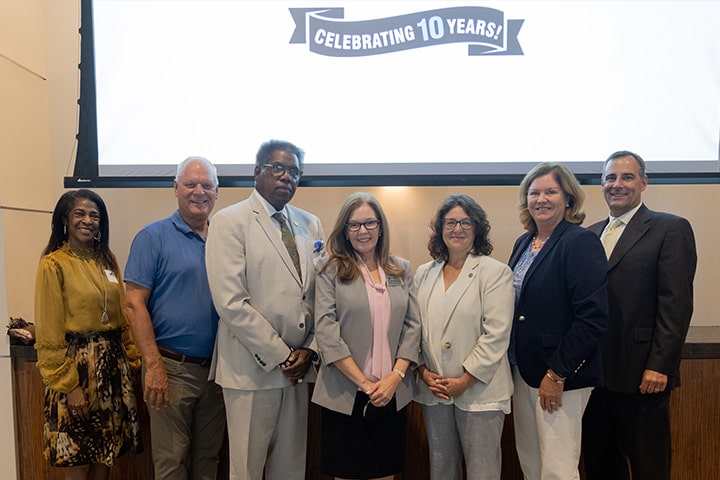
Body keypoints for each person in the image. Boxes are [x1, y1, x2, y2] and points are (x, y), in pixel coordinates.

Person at [205, 139, 325, 480]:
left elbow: (320, 295)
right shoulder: (230, 222)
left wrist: (310, 351)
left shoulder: (310, 224)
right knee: (248, 469)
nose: (287, 177)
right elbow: (231, 302)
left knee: (290, 468)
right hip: (252, 370)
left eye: (295, 172)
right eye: (278, 168)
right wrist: (281, 355)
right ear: (257, 172)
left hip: (299, 370)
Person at [581, 151, 697, 480]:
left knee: (650, 468)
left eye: (627, 177)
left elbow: (676, 304)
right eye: (610, 178)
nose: (617, 184)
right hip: (594, 379)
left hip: (642, 377)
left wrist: (660, 365)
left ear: (644, 183)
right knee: (601, 466)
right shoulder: (588, 234)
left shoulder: (670, 228)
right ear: (602, 184)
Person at [124, 156, 226, 479]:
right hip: (170, 369)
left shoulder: (225, 240)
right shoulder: (152, 237)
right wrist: (153, 366)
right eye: (190, 184)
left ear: (217, 191)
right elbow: (133, 305)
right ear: (175, 188)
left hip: (217, 372)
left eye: (206, 185)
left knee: (208, 461)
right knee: (171, 464)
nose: (199, 191)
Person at [508, 163, 608, 480]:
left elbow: (593, 317)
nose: (541, 199)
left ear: (567, 198)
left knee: (558, 467)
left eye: (550, 191)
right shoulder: (524, 243)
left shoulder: (579, 242)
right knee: (531, 461)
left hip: (558, 375)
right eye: (534, 193)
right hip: (523, 370)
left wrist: (557, 372)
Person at [34, 189, 142, 480]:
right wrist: (70, 386)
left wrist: (131, 361)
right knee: (78, 455)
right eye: (79, 213)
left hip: (111, 367)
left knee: (105, 456)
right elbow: (49, 330)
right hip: (76, 369)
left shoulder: (107, 260)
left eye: (95, 215)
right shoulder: (53, 264)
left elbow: (121, 314)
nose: (88, 220)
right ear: (64, 221)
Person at [312, 192, 421, 480]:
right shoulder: (330, 270)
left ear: (381, 227)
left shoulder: (401, 269)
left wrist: (394, 379)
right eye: (354, 225)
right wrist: (365, 385)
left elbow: (413, 327)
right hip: (346, 394)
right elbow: (326, 329)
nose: (363, 231)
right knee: (347, 473)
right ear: (345, 231)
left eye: (370, 223)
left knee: (384, 473)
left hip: (391, 393)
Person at [414, 194, 514, 480]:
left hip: (479, 390)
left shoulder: (495, 272)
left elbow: (496, 333)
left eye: (465, 222)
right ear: (440, 228)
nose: (457, 229)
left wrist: (465, 380)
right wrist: (422, 371)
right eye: (450, 222)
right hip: (435, 389)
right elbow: (414, 328)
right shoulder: (424, 273)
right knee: (441, 468)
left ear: (477, 228)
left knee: (483, 471)